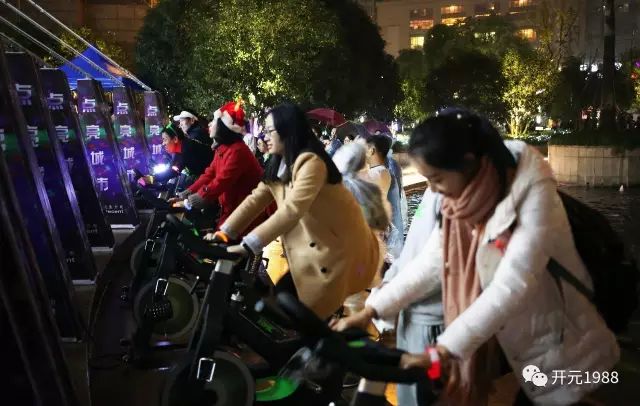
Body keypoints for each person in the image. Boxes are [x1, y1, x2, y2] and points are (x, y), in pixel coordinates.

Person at [333, 108, 619, 405]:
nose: (433, 190)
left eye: (436, 179)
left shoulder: (533, 196)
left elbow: (511, 285)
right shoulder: (465, 199)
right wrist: (371, 311)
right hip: (519, 350)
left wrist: (441, 351)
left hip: (567, 348)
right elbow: (433, 261)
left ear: (468, 163)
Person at [215, 103, 383, 320]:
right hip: (315, 253)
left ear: (288, 131)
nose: (264, 137)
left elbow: (292, 209)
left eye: (270, 130)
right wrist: (225, 232)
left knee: (296, 310)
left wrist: (248, 244)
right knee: (283, 305)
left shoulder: (311, 162)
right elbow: (256, 199)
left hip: (340, 254)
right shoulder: (279, 164)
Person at [370, 187, 444, 406]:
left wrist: (376, 306)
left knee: (428, 392)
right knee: (410, 393)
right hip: (410, 314)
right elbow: (412, 250)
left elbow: (434, 266)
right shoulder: (433, 191)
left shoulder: (452, 195)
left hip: (432, 325)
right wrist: (387, 283)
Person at [175, 101, 264, 231]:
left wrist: (197, 198)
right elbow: (209, 174)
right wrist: (188, 191)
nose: (209, 124)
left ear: (224, 126)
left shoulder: (238, 151)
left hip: (246, 214)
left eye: (214, 121)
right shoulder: (222, 149)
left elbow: (222, 180)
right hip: (232, 210)